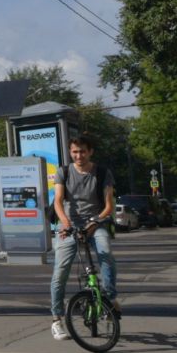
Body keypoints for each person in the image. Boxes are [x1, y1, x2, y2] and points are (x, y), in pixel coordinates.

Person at [50, 133, 117, 339]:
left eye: (83, 151)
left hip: (96, 223)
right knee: (60, 270)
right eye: (75, 152)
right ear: (71, 153)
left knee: (105, 253)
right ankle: (56, 319)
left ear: (90, 152)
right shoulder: (64, 172)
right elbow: (58, 201)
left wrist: (94, 221)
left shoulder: (103, 173)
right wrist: (66, 223)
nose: (79, 156)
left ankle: (109, 299)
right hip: (69, 224)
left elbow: (109, 206)